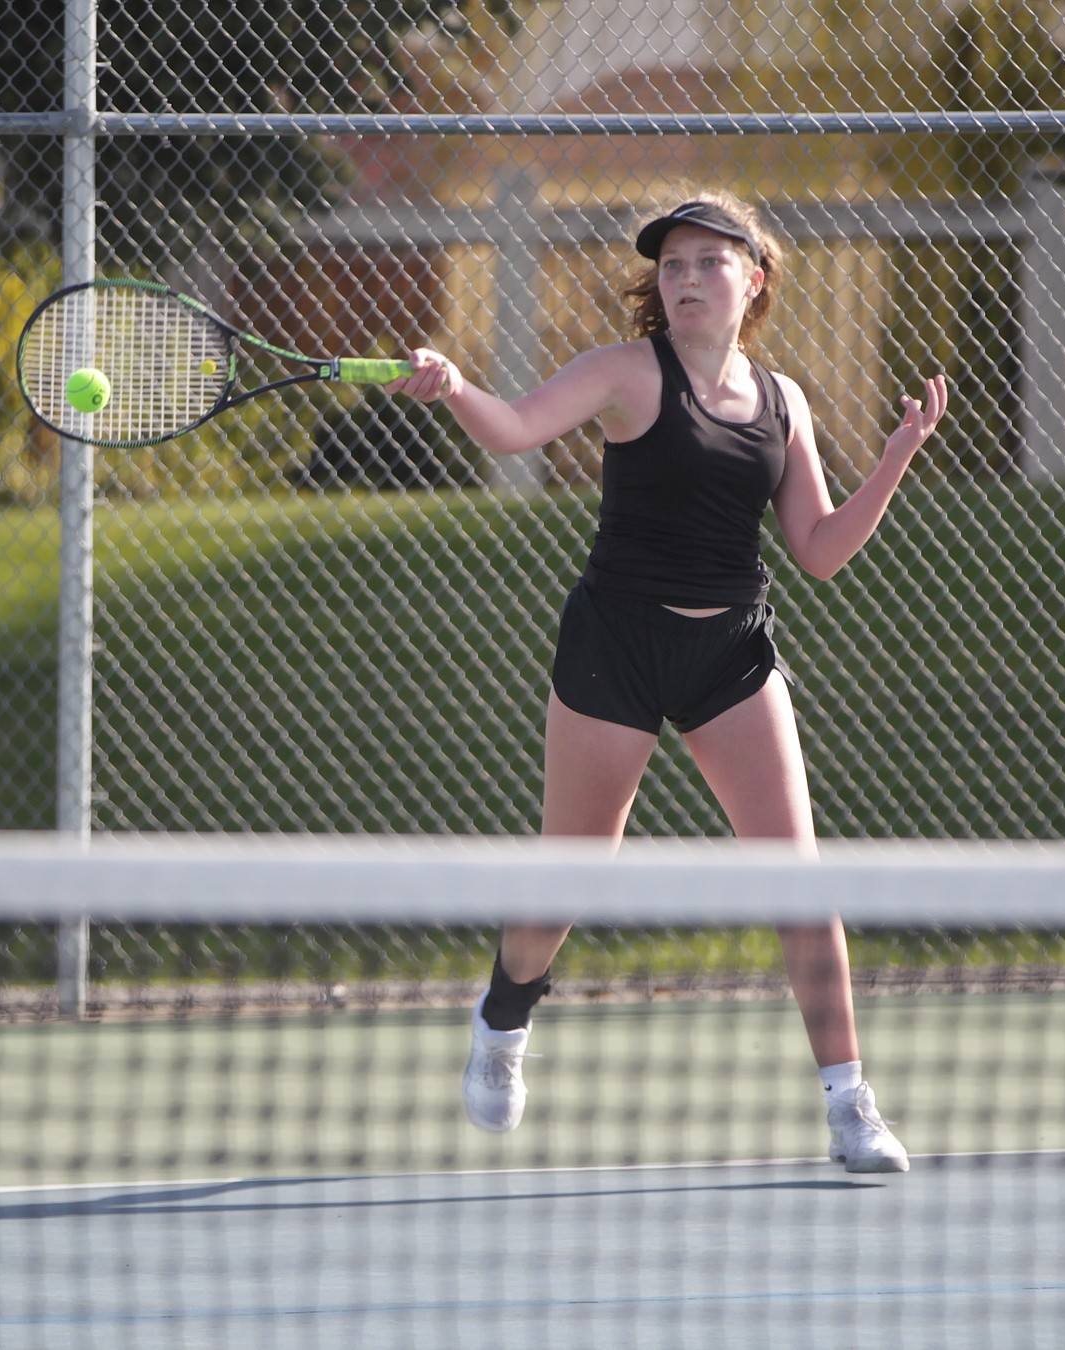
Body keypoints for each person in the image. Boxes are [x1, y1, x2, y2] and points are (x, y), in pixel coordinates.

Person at [388, 189, 947, 1173]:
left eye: (709, 261)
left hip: (731, 650)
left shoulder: (784, 402)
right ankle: (505, 1015)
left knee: (799, 878)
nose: (686, 278)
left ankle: (852, 1104)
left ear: (755, 280)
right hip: (617, 643)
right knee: (574, 871)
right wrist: (454, 386)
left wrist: (895, 458)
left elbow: (816, 551)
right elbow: (515, 429)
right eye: (673, 264)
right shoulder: (624, 373)